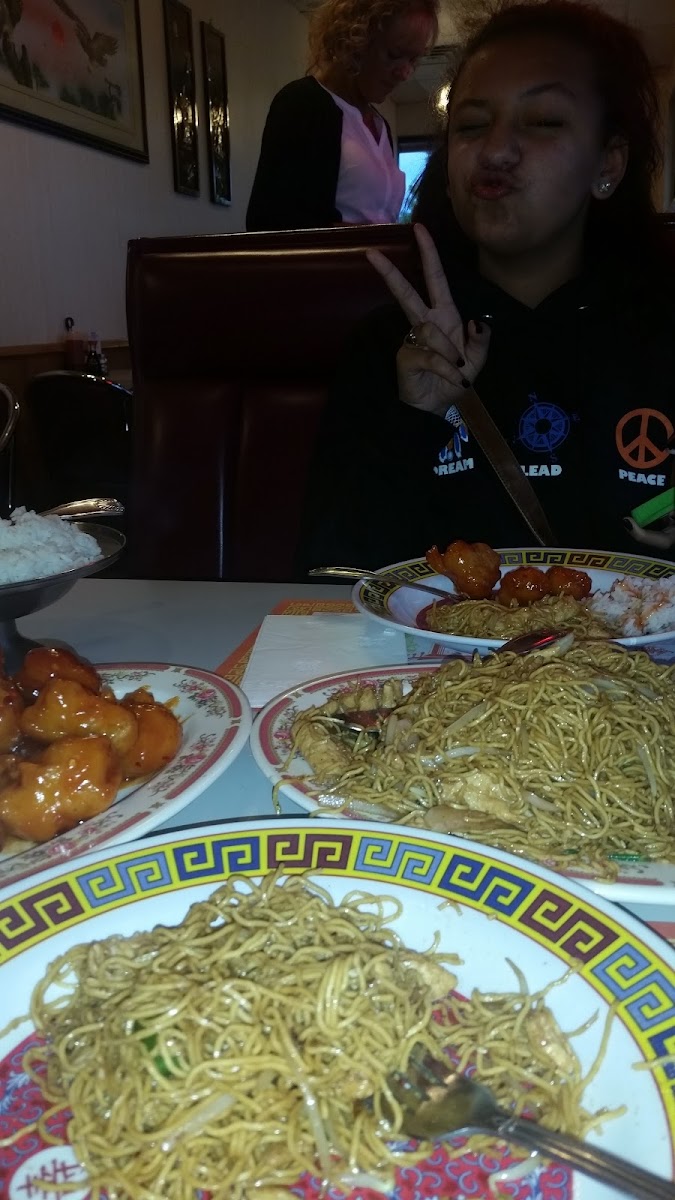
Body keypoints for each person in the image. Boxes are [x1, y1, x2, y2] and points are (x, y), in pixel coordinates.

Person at [300, 0, 675, 571]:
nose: (495, 151)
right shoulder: (390, 347)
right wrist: (413, 419)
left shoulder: (660, 336)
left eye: (543, 121)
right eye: (472, 126)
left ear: (609, 164)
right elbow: (331, 577)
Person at [245, 0, 438, 231]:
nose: (405, 73)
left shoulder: (381, 126)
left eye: (413, 60)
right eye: (394, 54)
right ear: (355, 41)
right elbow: (269, 221)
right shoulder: (301, 103)